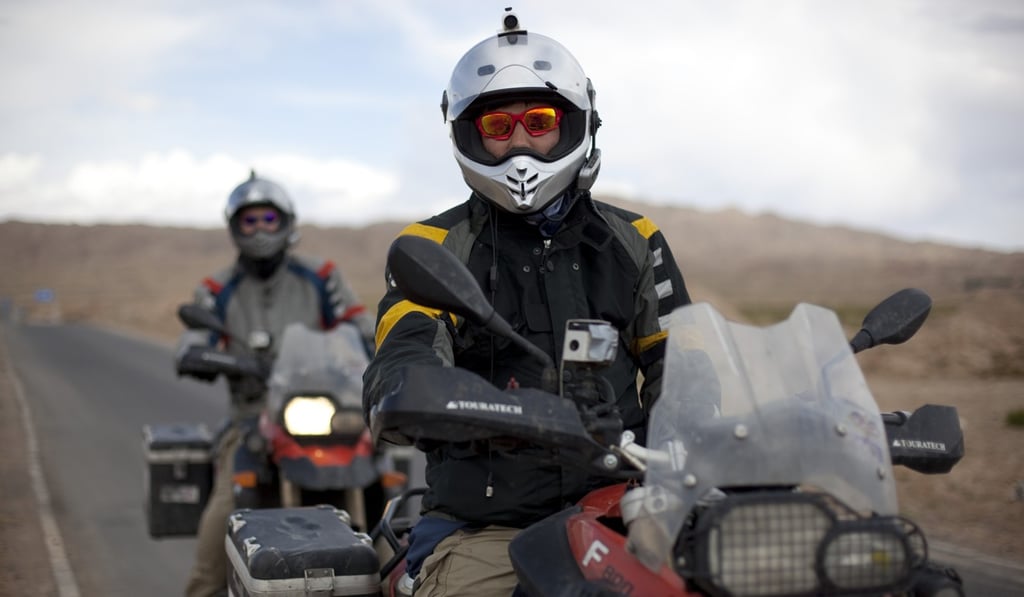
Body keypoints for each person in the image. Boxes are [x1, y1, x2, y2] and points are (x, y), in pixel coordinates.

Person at [362, 10, 692, 597]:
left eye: (538, 121)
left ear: (573, 124)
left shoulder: (635, 239)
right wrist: (415, 387)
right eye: (498, 125)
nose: (520, 141)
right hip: (487, 526)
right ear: (470, 134)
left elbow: (684, 366)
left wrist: (706, 426)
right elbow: (405, 345)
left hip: (628, 505)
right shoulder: (432, 248)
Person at [175, 171, 375, 597]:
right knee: (219, 528)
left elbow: (360, 327)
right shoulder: (217, 289)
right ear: (234, 227)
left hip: (328, 409)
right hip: (253, 420)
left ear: (287, 222)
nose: (261, 229)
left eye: (269, 217)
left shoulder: (321, 276)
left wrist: (378, 346)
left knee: (389, 479)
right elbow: (192, 342)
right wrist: (215, 357)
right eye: (250, 221)